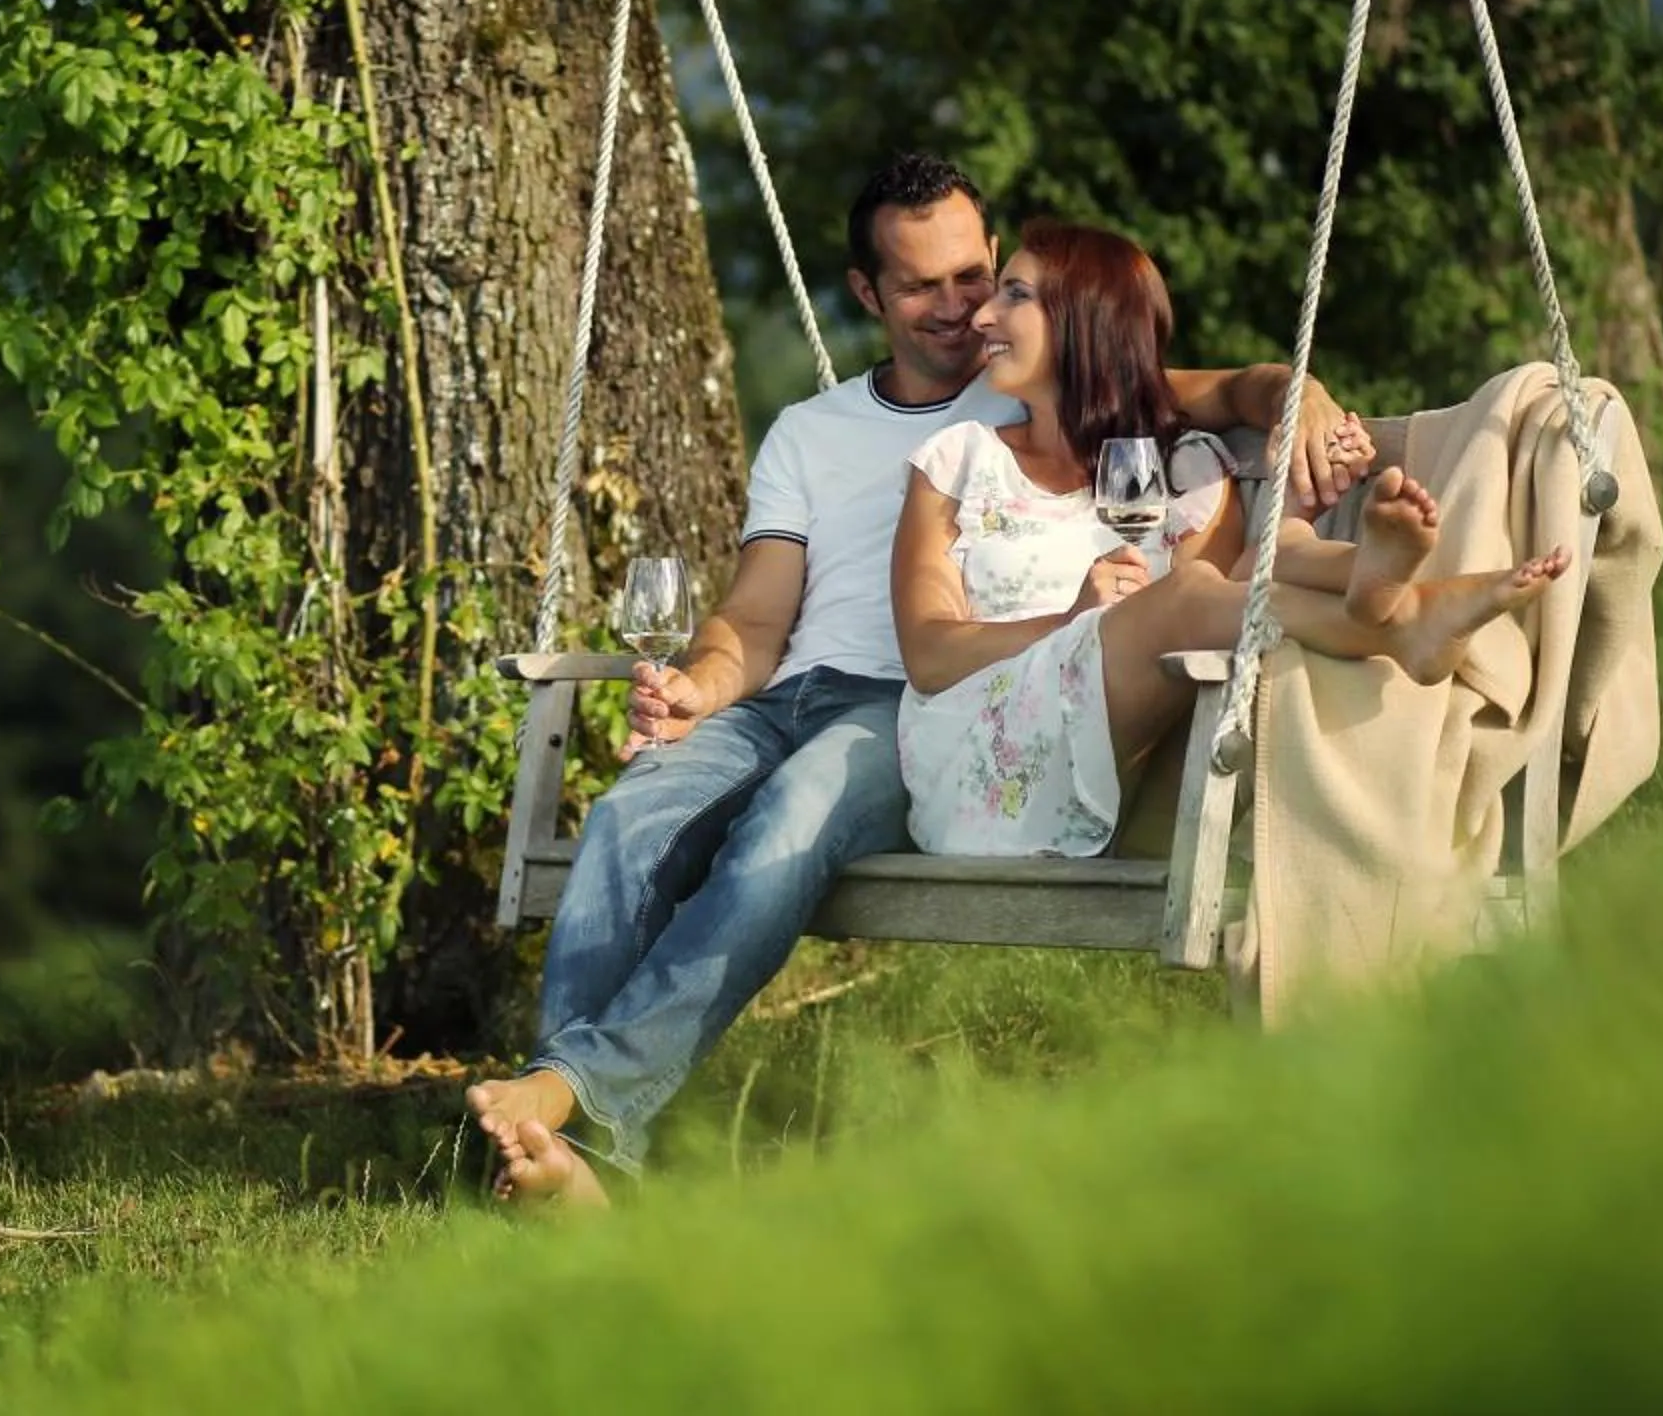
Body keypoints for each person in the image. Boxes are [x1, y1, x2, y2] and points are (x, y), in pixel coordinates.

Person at [467, 156, 1370, 1208]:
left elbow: (1237, 388)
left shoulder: (1044, 378)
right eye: (919, 286)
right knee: (630, 817)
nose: (960, 307)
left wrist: (1304, 395)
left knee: (785, 829)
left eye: (976, 276)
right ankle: (573, 1155)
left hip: (919, 710)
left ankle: (570, 1108)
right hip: (783, 695)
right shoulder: (814, 430)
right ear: (866, 295)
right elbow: (756, 617)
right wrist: (701, 689)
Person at [893, 220, 1572, 859]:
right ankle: (1397, 616)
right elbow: (927, 654)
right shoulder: (960, 461)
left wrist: (1295, 493)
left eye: (1015, 295)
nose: (982, 316)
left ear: (1084, 319)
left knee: (1202, 592)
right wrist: (1070, 622)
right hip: (984, 774)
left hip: (1126, 773)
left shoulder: (1183, 470)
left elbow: (1235, 603)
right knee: (1189, 591)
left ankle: (1383, 590)